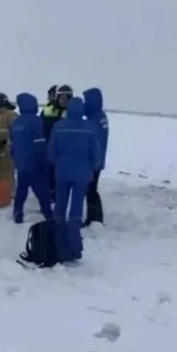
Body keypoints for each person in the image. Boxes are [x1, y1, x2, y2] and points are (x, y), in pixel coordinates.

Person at [48, 96, 101, 263]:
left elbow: (51, 153)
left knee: (60, 206)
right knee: (76, 209)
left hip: (62, 172)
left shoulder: (58, 126)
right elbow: (96, 154)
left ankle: (57, 243)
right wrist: (92, 165)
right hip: (82, 174)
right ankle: (74, 247)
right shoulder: (90, 128)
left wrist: (59, 162)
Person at [10, 93, 53, 223]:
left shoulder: (16, 122)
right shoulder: (36, 121)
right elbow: (39, 143)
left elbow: (13, 145)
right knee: (42, 191)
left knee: (21, 190)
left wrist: (17, 160)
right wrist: (44, 161)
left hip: (21, 163)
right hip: (35, 163)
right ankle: (49, 214)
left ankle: (17, 212)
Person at [82, 87, 109, 225]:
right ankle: (95, 217)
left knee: (90, 190)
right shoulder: (101, 116)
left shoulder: (93, 119)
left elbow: (92, 142)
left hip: (92, 161)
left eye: (86, 101)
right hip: (98, 160)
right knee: (92, 189)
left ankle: (95, 218)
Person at [42, 84, 73, 195]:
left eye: (66, 98)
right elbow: (41, 126)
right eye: (61, 98)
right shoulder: (48, 109)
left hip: (64, 149)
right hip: (48, 146)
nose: (63, 101)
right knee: (48, 172)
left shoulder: (72, 113)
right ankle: (49, 193)